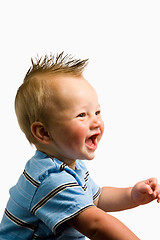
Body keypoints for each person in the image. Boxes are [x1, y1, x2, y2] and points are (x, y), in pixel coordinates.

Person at [0, 52, 160, 240]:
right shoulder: (50, 180)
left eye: (97, 112)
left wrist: (131, 196)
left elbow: (96, 199)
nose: (96, 122)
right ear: (44, 133)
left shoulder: (68, 167)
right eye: (82, 115)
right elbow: (96, 225)